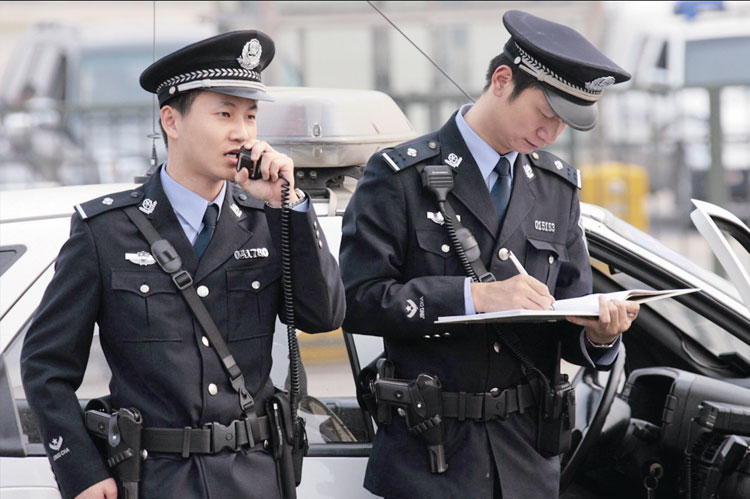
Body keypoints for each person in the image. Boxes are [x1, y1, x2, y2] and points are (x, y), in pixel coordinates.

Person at [21, 30, 345, 499]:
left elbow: (324, 315)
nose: (242, 132)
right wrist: (82, 472)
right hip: (154, 479)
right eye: (224, 114)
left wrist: (289, 208)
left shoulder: (269, 219)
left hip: (254, 478)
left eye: (250, 116)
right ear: (171, 121)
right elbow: (45, 365)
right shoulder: (105, 231)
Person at [340, 10, 639, 499]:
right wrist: (473, 297)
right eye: (545, 114)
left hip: (526, 460)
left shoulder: (556, 187)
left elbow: (570, 310)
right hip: (430, 460)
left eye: (563, 124)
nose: (550, 134)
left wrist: (600, 336)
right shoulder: (400, 176)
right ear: (502, 81)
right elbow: (356, 300)